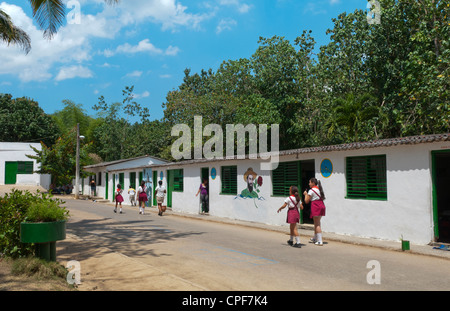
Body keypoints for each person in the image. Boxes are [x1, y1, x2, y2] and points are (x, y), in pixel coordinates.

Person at [303, 178, 326, 246]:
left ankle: (319, 241)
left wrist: (305, 194)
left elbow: (306, 201)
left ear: (313, 183)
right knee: (316, 223)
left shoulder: (311, 191)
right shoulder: (319, 189)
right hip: (321, 206)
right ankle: (315, 238)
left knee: (317, 224)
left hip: (316, 207)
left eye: (310, 182)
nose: (309, 184)